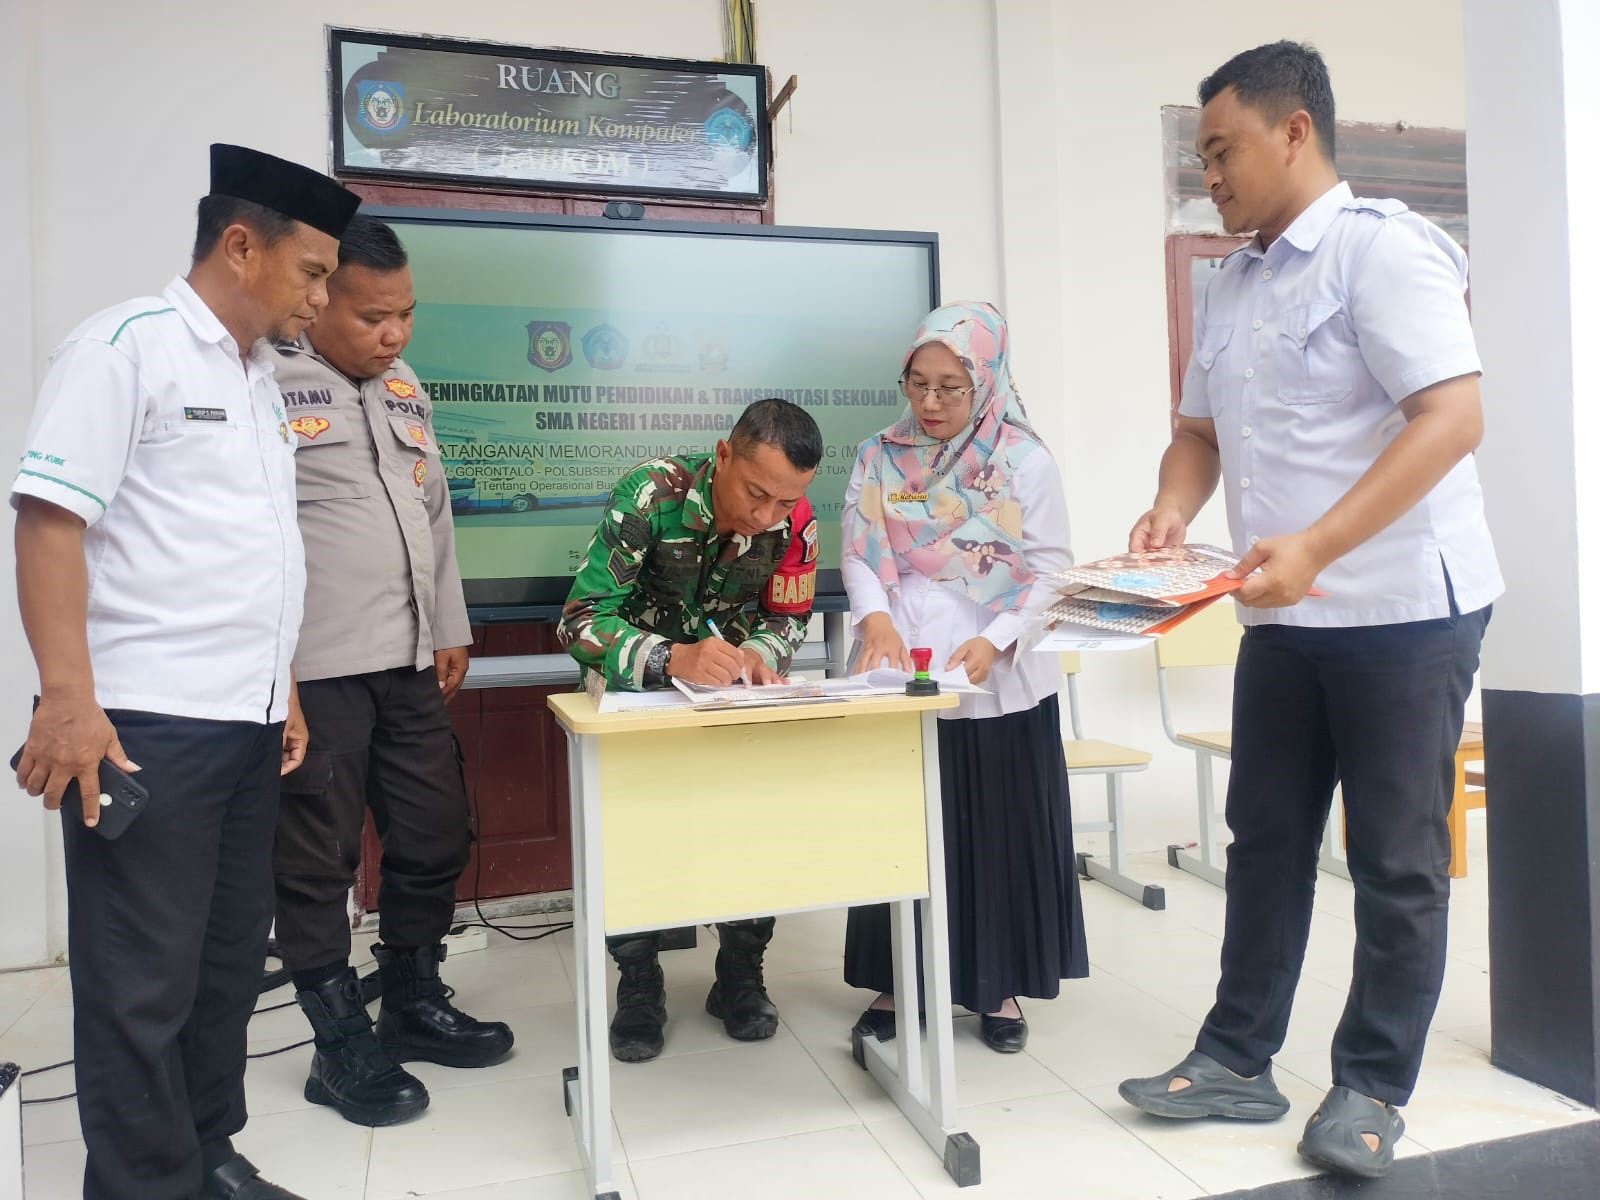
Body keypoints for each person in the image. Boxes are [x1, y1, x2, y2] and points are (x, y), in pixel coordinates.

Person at [1115, 43, 1500, 1179]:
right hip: (1279, 612)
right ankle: (1237, 1058)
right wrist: (1172, 508)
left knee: (1394, 858)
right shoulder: (1231, 281)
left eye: (1221, 150)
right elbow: (1198, 435)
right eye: (1199, 156)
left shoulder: (1381, 251)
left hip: (1400, 608)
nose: (1209, 174)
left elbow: (1451, 418)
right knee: (1266, 838)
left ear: (1294, 133)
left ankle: (1371, 1086)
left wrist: (1321, 546)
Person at [11, 145, 358, 1200]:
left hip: (245, 724)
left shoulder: (257, 378)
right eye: (312, 272)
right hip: (144, 728)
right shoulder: (126, 349)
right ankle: (140, 1185)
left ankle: (205, 1154)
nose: (322, 297)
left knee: (223, 966)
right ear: (240, 246)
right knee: (140, 982)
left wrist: (281, 687)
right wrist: (68, 701)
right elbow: (49, 524)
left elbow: (248, 550)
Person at [269, 215, 514, 1129]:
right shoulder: (265, 378)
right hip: (317, 667)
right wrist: (276, 671)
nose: (393, 333)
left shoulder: (406, 385)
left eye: (405, 313)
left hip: (409, 660)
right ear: (319, 297)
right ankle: (337, 1045)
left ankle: (411, 998)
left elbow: (434, 513)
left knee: (434, 832)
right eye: (374, 316)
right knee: (316, 861)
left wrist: (449, 626)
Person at [840, 301, 1088, 1053]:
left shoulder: (1024, 461)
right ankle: (896, 978)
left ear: (986, 381)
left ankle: (997, 986)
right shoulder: (880, 455)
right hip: (899, 664)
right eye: (918, 383)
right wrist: (874, 618)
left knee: (994, 829)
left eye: (951, 387)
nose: (931, 402)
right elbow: (860, 547)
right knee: (902, 825)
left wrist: (996, 639)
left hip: (995, 672)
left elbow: (1052, 573)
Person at [558, 398, 822, 1062]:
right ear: (723, 455)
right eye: (756, 494)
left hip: (728, 707)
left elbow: (789, 616)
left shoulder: (795, 520)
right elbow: (581, 620)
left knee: (748, 833)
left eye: (783, 502)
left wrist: (759, 652)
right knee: (633, 839)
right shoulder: (651, 495)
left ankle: (739, 974)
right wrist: (671, 658)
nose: (766, 516)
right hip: (636, 701)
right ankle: (639, 983)